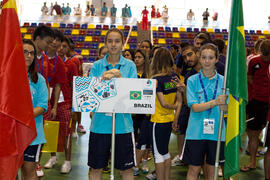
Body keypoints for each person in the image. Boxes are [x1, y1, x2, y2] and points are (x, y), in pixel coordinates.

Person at [88, 28, 137, 180]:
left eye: (117, 41)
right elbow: (91, 96)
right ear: (105, 43)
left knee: (127, 170)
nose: (113, 45)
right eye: (110, 41)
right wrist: (101, 80)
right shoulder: (96, 66)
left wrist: (120, 79)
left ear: (122, 44)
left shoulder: (130, 66)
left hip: (123, 126)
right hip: (100, 125)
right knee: (96, 168)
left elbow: (134, 96)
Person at [183, 43, 228, 180]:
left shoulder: (224, 82)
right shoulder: (192, 80)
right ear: (199, 58)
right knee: (194, 168)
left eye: (210, 57)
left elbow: (227, 109)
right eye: (203, 57)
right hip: (196, 132)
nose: (207, 61)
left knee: (212, 169)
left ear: (216, 59)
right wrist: (215, 102)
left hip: (217, 132)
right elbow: (195, 107)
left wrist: (224, 106)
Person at [149, 47, 182, 180]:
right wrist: (175, 118)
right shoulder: (175, 77)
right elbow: (180, 101)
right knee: (165, 153)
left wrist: (171, 106)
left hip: (158, 120)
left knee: (158, 155)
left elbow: (163, 103)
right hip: (169, 119)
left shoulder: (156, 80)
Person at [21, 39, 48, 180]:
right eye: (25, 52)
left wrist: (22, 116)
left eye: (31, 53)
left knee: (29, 172)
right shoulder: (6, 77)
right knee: (10, 172)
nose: (29, 56)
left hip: (33, 135)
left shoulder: (39, 80)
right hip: (11, 134)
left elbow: (42, 106)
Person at [241, 39, 270, 172]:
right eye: (264, 55)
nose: (266, 58)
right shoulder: (253, 61)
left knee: (262, 130)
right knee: (254, 134)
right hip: (256, 102)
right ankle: (252, 161)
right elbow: (249, 77)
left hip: (268, 103)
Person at [43, 30, 69, 173]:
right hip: (43, 99)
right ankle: (53, 157)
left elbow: (59, 84)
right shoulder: (40, 57)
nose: (54, 42)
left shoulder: (59, 61)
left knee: (65, 130)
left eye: (57, 41)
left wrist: (54, 107)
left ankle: (67, 160)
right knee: (48, 129)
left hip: (59, 100)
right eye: (52, 39)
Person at [171, 44, 201, 167]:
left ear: (198, 53)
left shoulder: (217, 69)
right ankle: (183, 157)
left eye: (190, 54)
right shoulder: (190, 76)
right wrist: (184, 90)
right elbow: (186, 102)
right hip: (195, 115)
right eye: (184, 57)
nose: (188, 59)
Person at [132, 49, 151, 176]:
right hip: (132, 112)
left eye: (139, 57)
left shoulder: (149, 74)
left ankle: (144, 161)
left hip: (145, 112)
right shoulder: (131, 73)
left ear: (144, 59)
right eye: (135, 57)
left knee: (145, 139)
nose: (137, 59)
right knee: (134, 139)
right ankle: (134, 163)